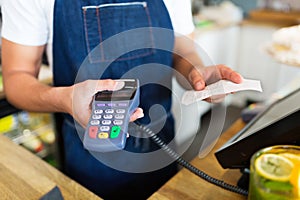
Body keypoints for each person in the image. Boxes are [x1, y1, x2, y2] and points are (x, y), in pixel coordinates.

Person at [1, 0, 242, 199]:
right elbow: (16, 79)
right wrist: (64, 98)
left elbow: (183, 49)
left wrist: (197, 71)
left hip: (160, 147)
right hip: (89, 159)